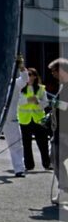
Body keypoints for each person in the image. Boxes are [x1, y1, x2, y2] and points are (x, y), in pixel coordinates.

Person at [0, 58, 28, 176]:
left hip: (10, 119)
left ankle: (19, 169)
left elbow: (25, 79)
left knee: (16, 144)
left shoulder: (16, 84)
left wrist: (21, 67)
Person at [18, 67, 51, 172]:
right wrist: (28, 100)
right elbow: (18, 102)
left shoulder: (41, 88)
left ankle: (46, 163)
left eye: (30, 74)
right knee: (26, 144)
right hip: (25, 119)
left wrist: (38, 103)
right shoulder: (21, 88)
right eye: (27, 74)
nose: (28, 76)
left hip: (38, 119)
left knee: (43, 142)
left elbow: (45, 103)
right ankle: (29, 165)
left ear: (35, 76)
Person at [47, 58, 68, 204]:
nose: (53, 74)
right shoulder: (63, 86)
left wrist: (55, 103)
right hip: (60, 130)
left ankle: (65, 190)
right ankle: (64, 190)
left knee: (55, 159)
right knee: (55, 158)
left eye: (54, 71)